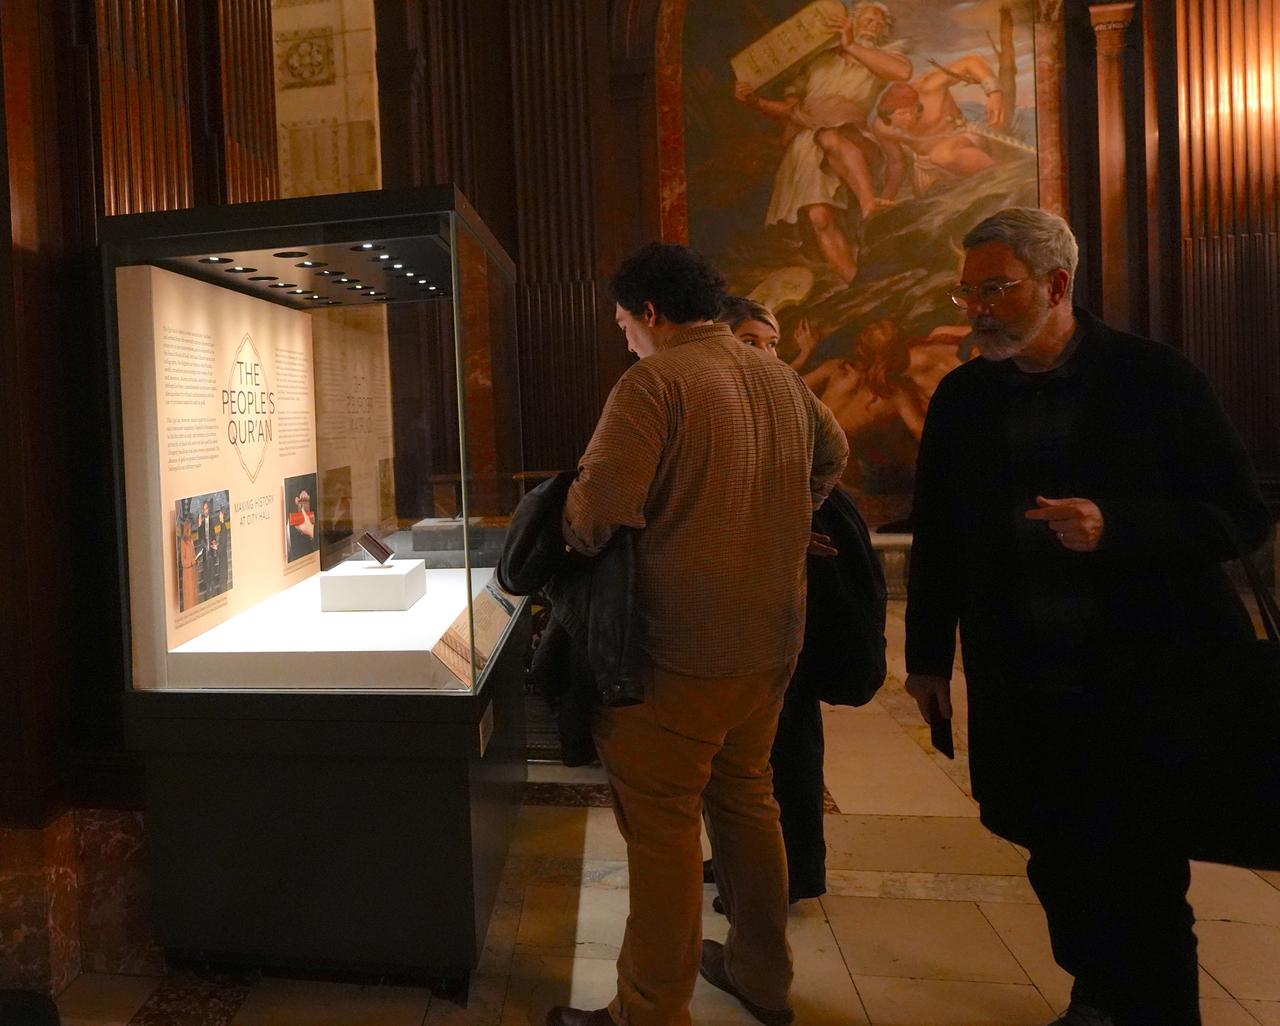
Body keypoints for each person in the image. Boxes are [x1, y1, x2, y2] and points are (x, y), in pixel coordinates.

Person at [904, 207, 1270, 1026]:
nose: (977, 309)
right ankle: (1097, 993)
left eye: (994, 289)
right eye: (967, 293)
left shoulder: (1156, 380)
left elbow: (1242, 515)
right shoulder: (964, 398)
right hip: (1025, 681)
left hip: (1146, 680)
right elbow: (940, 536)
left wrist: (1118, 526)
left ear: (1057, 284)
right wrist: (926, 657)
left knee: (1145, 875)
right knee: (1054, 857)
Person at [547, 244, 848, 1026]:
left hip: (674, 652)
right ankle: (760, 973)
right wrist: (790, 512)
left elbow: (599, 509)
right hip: (770, 644)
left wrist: (575, 532)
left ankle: (649, 1010)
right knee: (749, 802)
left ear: (650, 313)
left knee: (663, 828)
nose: (625, 340)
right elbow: (835, 453)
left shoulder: (655, 383)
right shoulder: (778, 377)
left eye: (623, 323)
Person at [736, 1, 911, 282]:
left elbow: (902, 73)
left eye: (878, 23)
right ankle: (856, 281)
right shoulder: (819, 61)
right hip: (805, 143)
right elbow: (791, 111)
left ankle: (870, 207)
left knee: (831, 135)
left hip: (854, 136)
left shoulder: (881, 57)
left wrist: (853, 46)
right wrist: (755, 102)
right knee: (819, 218)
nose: (873, 26)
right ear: (850, 22)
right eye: (867, 20)